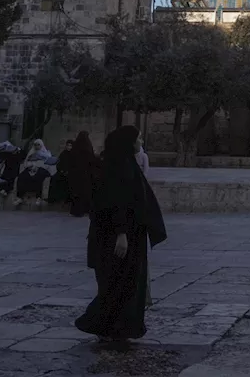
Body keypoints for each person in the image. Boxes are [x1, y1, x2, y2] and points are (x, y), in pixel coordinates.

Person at [75, 126, 167, 346]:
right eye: (138, 138)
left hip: (127, 234)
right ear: (128, 142)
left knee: (123, 282)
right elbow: (117, 202)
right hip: (120, 236)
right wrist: (121, 234)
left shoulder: (123, 163)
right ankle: (105, 325)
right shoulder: (118, 167)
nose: (141, 140)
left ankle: (115, 327)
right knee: (119, 283)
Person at [14, 139, 53, 209]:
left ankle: (38, 197)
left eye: (38, 145)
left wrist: (38, 166)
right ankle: (19, 197)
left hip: (42, 169)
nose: (37, 146)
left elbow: (48, 163)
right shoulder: (31, 153)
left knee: (39, 176)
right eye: (35, 145)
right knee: (21, 176)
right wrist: (31, 166)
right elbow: (26, 162)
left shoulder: (46, 153)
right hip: (31, 168)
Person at [68, 132, 100, 218]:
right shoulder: (87, 148)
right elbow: (91, 160)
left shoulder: (75, 148)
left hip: (76, 175)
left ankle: (76, 211)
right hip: (86, 174)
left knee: (77, 193)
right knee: (86, 192)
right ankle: (85, 209)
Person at [48, 140, 76, 205]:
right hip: (61, 172)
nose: (69, 147)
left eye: (70, 146)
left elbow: (74, 165)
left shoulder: (74, 154)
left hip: (71, 173)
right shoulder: (63, 153)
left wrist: (68, 171)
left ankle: (67, 199)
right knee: (54, 179)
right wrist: (62, 171)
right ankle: (54, 198)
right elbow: (59, 164)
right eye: (67, 145)